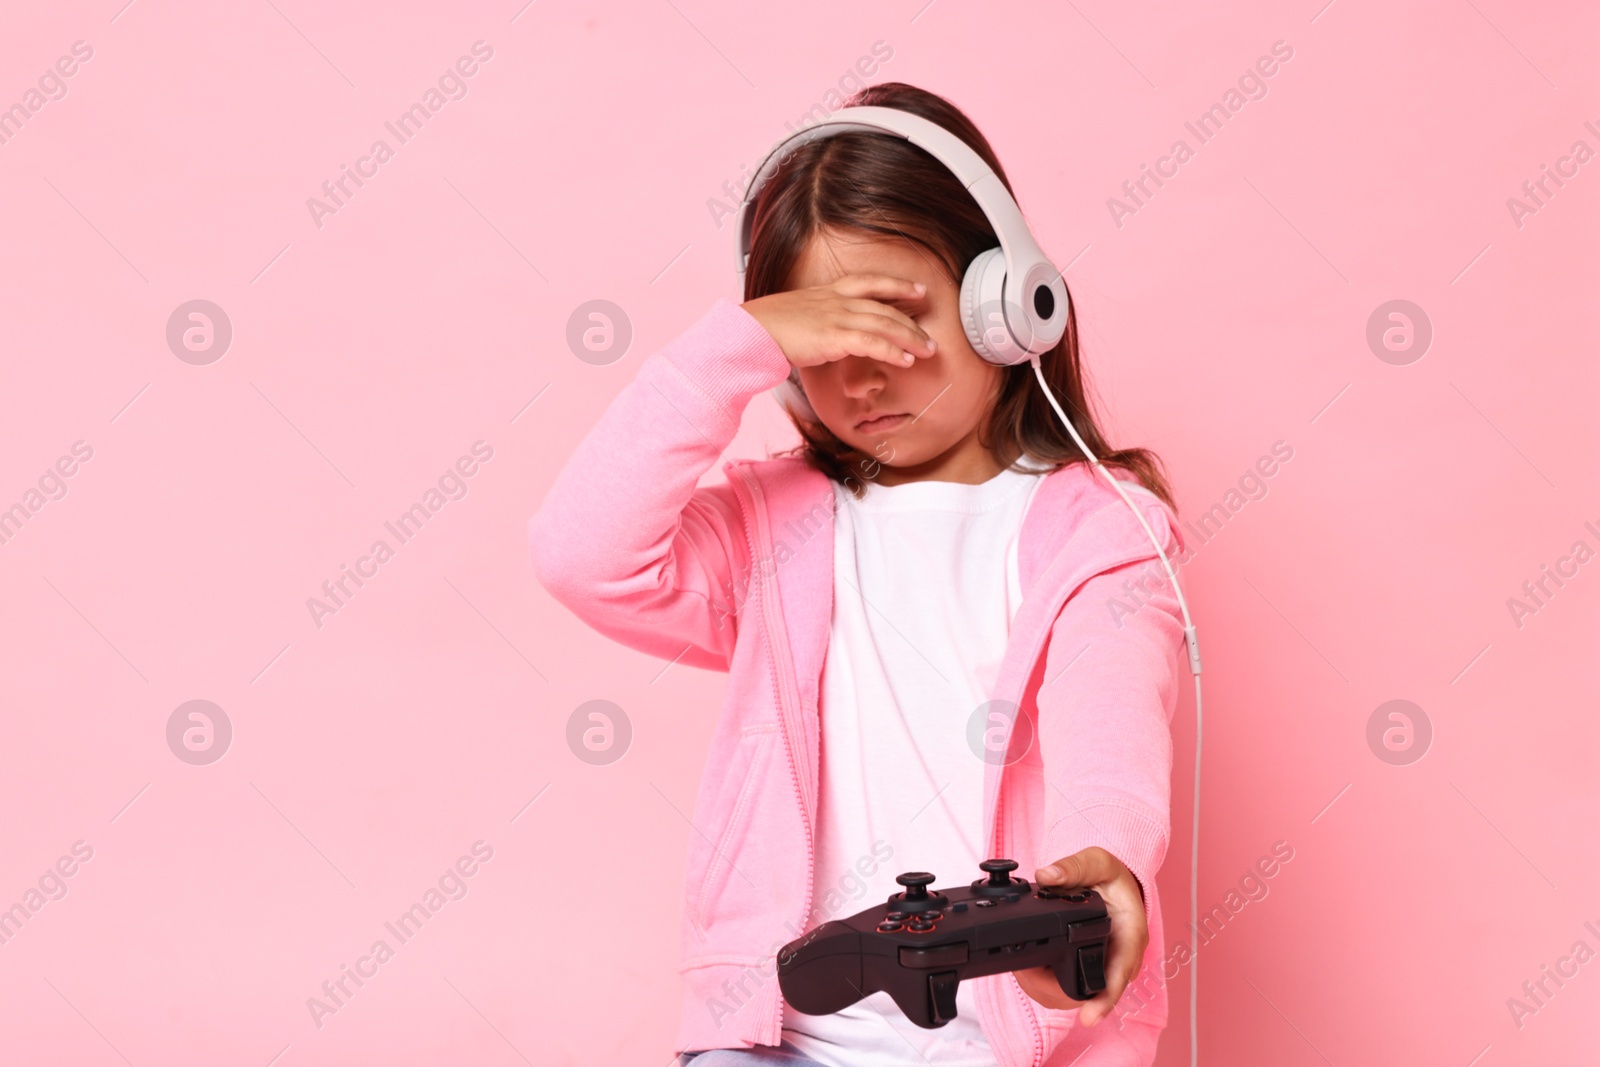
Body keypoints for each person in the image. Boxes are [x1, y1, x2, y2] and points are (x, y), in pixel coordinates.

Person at [528, 82, 1189, 1067]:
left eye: (891, 322)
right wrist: (739, 346)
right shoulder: (773, 528)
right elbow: (583, 554)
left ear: (1006, 302)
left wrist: (1104, 859)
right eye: (824, 342)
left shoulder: (1099, 529)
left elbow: (1114, 715)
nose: (860, 377)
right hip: (780, 1037)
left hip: (1031, 1042)